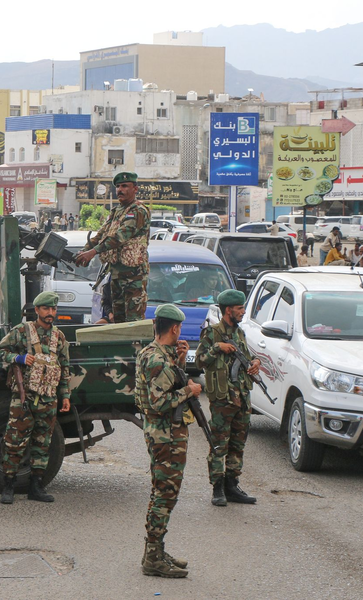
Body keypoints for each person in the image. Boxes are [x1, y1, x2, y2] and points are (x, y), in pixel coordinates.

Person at [136, 303, 201, 578]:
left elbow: (165, 383)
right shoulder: (158, 359)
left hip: (163, 434)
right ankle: (153, 557)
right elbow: (160, 401)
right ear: (174, 328)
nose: (180, 332)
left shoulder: (155, 353)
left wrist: (181, 361)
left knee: (160, 493)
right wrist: (189, 390)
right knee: (165, 496)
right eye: (180, 328)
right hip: (166, 437)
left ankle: (155, 551)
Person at [0, 291, 71, 505]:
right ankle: (8, 485)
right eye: (46, 309)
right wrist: (17, 357)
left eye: (53, 309)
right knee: (14, 442)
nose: (50, 313)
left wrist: (65, 395)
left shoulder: (59, 337)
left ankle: (36, 487)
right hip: (24, 397)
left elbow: (64, 368)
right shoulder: (22, 332)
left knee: (42, 443)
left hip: (48, 398)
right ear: (37, 310)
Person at [195, 289, 260, 508]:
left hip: (242, 398)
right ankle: (217, 489)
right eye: (239, 308)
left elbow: (246, 357)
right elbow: (200, 361)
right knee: (218, 446)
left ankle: (232, 485)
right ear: (228, 310)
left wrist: (254, 363)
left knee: (237, 445)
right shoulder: (213, 333)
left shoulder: (239, 332)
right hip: (223, 400)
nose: (243, 312)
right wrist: (217, 348)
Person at [74, 171, 150, 323]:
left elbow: (119, 237)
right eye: (118, 187)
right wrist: (83, 251)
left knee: (133, 323)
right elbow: (101, 235)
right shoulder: (117, 212)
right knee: (118, 321)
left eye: (125, 186)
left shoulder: (138, 211)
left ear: (135, 189)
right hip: (116, 276)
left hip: (133, 277)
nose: (120, 190)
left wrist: (92, 252)